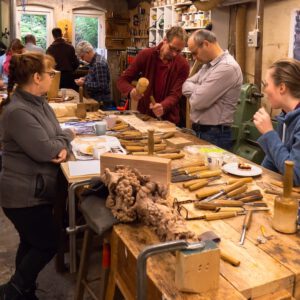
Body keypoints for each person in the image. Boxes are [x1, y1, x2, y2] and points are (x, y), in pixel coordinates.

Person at [0, 52, 75, 299]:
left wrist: (62, 140)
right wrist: (62, 141)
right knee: (49, 242)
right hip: (23, 193)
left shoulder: (39, 102)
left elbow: (59, 134)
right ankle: (14, 290)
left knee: (30, 241)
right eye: (50, 73)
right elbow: (46, 149)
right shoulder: (17, 111)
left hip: (37, 188)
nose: (52, 77)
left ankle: (24, 290)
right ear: (36, 77)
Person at [182, 29, 243, 150]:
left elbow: (198, 102)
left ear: (205, 44)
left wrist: (199, 90)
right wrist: (201, 89)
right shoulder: (207, 65)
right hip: (201, 131)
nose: (194, 58)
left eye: (194, 53)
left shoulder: (226, 67)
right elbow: (185, 85)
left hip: (215, 135)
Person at [117, 26, 189, 125]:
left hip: (169, 119)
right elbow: (122, 80)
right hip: (145, 116)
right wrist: (131, 91)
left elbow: (176, 94)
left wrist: (163, 106)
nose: (174, 54)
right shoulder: (146, 55)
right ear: (165, 40)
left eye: (178, 51)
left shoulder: (183, 64)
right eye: (172, 48)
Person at [253, 58, 300, 185]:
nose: (264, 91)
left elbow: (295, 176)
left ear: (282, 87)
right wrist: (257, 179)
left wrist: (269, 133)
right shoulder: (285, 117)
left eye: (266, 84)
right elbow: (273, 159)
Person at [75, 40, 112, 109]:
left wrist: (84, 83)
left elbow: (102, 85)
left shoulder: (98, 63)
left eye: (82, 57)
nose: (83, 60)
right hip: (96, 100)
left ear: (88, 52)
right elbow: (92, 75)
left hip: (101, 103)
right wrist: (85, 78)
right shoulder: (93, 62)